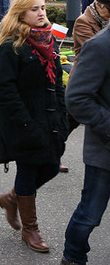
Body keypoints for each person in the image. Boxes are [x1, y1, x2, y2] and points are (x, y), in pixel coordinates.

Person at [0, 0, 68, 254]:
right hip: (22, 123)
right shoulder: (11, 46)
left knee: (52, 167)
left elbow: (56, 81)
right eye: (35, 9)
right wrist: (26, 124)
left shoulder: (48, 41)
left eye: (43, 8)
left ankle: (12, 198)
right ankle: (30, 229)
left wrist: (62, 113)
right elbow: (6, 92)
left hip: (48, 119)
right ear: (21, 12)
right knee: (28, 170)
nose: (41, 13)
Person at [62, 26, 110, 265]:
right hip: (105, 150)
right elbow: (76, 98)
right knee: (90, 214)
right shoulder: (100, 45)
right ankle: (73, 255)